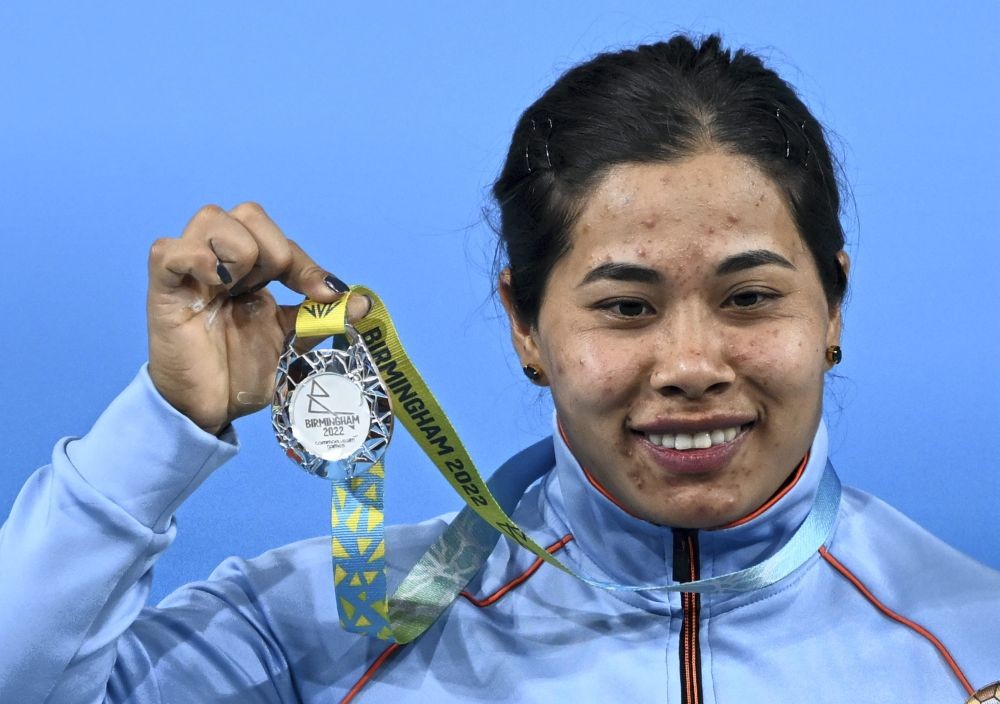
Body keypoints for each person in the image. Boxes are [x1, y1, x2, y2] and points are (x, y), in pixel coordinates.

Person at [1, 33, 998, 704]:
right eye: (625, 307)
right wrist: (162, 424)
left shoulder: (974, 648)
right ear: (525, 322)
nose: (691, 363)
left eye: (748, 298)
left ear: (832, 306)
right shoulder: (321, 633)